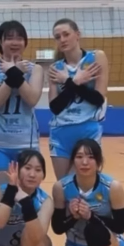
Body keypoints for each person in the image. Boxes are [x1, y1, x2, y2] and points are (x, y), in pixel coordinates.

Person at [52, 138, 124, 246]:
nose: (84, 162)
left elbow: (120, 226)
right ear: (73, 161)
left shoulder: (112, 187)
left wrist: (91, 216)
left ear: (99, 162)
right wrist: (73, 216)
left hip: (110, 245)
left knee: (94, 230)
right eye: (79, 157)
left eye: (90, 157)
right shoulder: (61, 187)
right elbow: (57, 228)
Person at [0, 21, 43, 188]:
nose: (15, 42)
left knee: (27, 196)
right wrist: (13, 73)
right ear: (0, 42)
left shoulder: (35, 69)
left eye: (19, 38)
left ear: (25, 42)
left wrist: (14, 72)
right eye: (9, 38)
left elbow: (32, 99)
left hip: (27, 144)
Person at [48, 19, 109, 179]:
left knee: (87, 183)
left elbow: (98, 99)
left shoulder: (96, 57)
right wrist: (75, 81)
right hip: (61, 132)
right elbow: (55, 107)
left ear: (77, 34)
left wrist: (68, 82)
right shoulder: (55, 68)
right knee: (64, 186)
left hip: (88, 130)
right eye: (58, 37)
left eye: (66, 34)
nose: (62, 39)